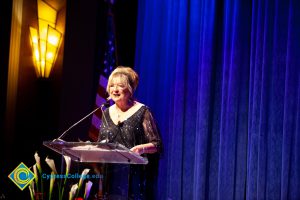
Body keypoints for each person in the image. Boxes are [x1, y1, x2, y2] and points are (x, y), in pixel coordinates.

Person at [98, 66, 162, 200]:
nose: (115, 89)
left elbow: (157, 145)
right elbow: (101, 145)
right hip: (110, 180)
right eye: (112, 86)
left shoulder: (143, 111)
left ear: (130, 89)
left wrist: (140, 149)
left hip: (135, 181)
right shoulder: (106, 112)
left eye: (120, 85)